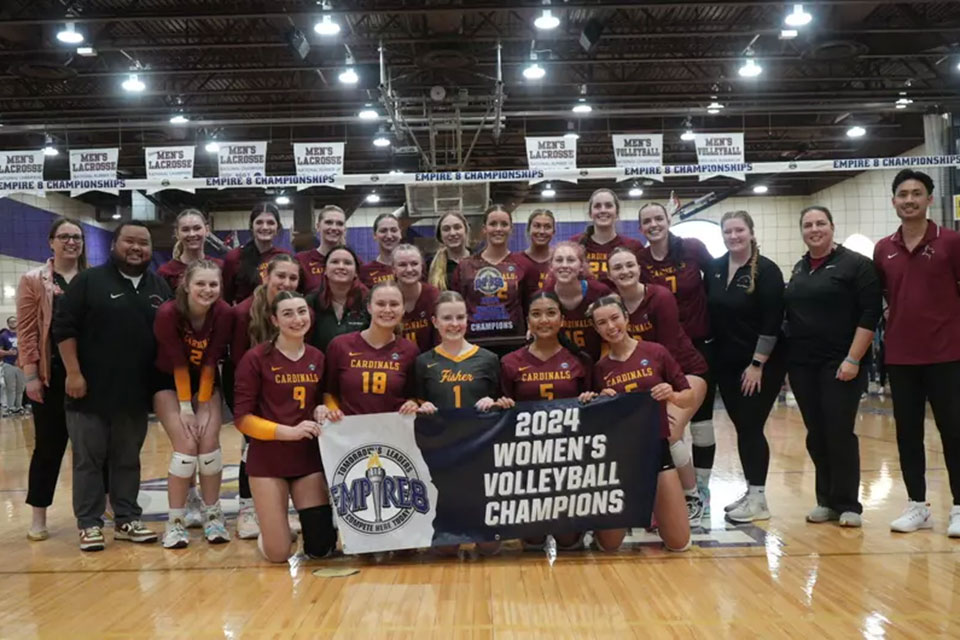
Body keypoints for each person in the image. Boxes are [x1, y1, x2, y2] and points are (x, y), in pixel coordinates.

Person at [53, 221, 172, 551]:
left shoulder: (158, 286)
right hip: (88, 392)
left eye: (144, 243)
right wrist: (73, 373)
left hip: (134, 395)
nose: (136, 248)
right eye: (129, 241)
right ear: (113, 245)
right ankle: (89, 524)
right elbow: (64, 329)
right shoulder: (88, 281)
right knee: (88, 460)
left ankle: (126, 518)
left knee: (127, 458)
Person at [873, 169, 960, 537]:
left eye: (916, 193)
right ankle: (916, 505)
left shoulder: (951, 242)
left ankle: (958, 507)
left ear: (928, 199)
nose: (909, 199)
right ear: (894, 201)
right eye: (902, 194)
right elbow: (883, 298)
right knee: (907, 433)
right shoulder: (883, 248)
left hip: (947, 353)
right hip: (901, 356)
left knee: (953, 431)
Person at [784, 206, 881, 528]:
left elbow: (870, 314)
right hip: (803, 365)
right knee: (817, 434)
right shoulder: (800, 267)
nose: (814, 229)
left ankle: (848, 503)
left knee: (839, 432)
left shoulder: (857, 265)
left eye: (820, 223)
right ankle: (825, 499)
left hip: (840, 364)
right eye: (808, 225)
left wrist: (853, 359)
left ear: (832, 226)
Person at [607, 247, 708, 526]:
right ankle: (652, 499)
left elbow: (669, 351)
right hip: (644, 378)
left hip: (684, 372)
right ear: (609, 274)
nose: (625, 271)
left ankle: (693, 497)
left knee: (670, 432)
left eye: (630, 265)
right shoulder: (611, 303)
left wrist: (665, 394)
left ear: (639, 268)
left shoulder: (659, 296)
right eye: (618, 267)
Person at [234, 291, 336, 562]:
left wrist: (323, 408)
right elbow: (242, 419)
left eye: (302, 311)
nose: (297, 319)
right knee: (279, 554)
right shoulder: (255, 358)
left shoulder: (317, 356)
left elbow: (322, 399)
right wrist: (287, 432)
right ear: (274, 320)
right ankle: (270, 532)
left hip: (307, 461)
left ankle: (292, 526)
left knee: (321, 550)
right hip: (268, 462)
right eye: (288, 313)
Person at [588, 294, 692, 552]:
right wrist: (601, 402)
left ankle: (658, 506)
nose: (611, 327)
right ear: (596, 328)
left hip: (656, 450)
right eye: (602, 323)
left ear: (626, 317)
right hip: (619, 455)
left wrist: (672, 394)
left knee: (680, 543)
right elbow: (595, 420)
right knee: (608, 545)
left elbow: (687, 396)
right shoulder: (600, 368)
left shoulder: (655, 352)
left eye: (614, 318)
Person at [17, 218, 99, 541]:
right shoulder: (33, 280)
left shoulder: (93, 279)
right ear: (51, 242)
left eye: (77, 236)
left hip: (89, 374)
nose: (71, 242)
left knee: (94, 447)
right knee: (48, 448)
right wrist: (31, 376)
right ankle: (38, 516)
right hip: (51, 376)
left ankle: (99, 510)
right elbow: (26, 332)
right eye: (64, 236)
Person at [415, 290, 509, 555]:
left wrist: (494, 404)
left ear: (468, 320)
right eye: (447, 318)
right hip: (442, 454)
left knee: (489, 546)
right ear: (434, 321)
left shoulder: (488, 359)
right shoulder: (424, 362)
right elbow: (414, 402)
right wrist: (421, 405)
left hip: (480, 453)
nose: (454, 324)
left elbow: (504, 403)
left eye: (459, 317)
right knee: (445, 548)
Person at [637, 202, 718, 510]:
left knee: (702, 423)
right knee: (668, 427)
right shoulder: (639, 259)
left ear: (669, 219)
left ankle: (702, 488)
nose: (654, 224)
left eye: (659, 218)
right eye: (647, 221)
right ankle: (673, 491)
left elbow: (716, 285)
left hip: (697, 345)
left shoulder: (693, 248)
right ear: (641, 227)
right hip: (659, 350)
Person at [707, 210, 786, 524]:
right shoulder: (714, 268)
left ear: (751, 232)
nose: (733, 236)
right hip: (726, 364)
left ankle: (759, 498)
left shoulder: (767, 271)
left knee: (751, 426)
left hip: (759, 365)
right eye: (728, 232)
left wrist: (757, 364)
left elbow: (772, 321)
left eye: (739, 230)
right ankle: (752, 491)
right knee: (743, 427)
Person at [153, 260, 234, 548]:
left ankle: (213, 514)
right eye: (200, 283)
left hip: (205, 381)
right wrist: (186, 409)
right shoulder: (168, 313)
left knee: (208, 444)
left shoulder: (223, 312)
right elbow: (177, 361)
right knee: (187, 447)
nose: (207, 289)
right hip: (167, 382)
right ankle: (174, 522)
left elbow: (211, 360)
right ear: (186, 285)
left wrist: (204, 405)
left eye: (213, 284)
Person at [230, 253, 301, 540]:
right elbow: (235, 364)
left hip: (285, 392)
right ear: (265, 277)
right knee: (252, 448)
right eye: (280, 276)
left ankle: (283, 512)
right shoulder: (243, 313)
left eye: (293, 277)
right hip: (252, 395)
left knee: (290, 448)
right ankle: (247, 509)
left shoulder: (297, 310)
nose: (286, 282)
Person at [323, 281, 419, 417]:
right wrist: (332, 410)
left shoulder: (410, 350)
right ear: (369, 307)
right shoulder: (340, 345)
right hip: (348, 432)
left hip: (393, 433)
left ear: (403, 309)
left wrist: (412, 404)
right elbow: (329, 392)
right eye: (380, 304)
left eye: (394, 304)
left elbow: (412, 395)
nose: (387, 310)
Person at [451, 205, 527, 356]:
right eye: (493, 224)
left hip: (514, 343)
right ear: (484, 229)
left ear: (511, 229)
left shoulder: (523, 264)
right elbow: (457, 306)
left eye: (504, 224)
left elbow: (529, 304)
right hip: (474, 345)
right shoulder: (465, 266)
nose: (498, 229)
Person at [543, 241, 610, 362]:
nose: (564, 265)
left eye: (570, 260)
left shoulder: (599, 292)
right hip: (559, 367)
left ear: (581, 267)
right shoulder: (543, 297)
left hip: (597, 362)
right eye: (559, 260)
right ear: (551, 267)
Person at [572, 188, 645, 285]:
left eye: (608, 206)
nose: (603, 210)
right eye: (597, 206)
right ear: (590, 213)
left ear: (617, 212)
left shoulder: (633, 246)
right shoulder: (574, 245)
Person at [306, 245, 370, 352]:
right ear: (325, 270)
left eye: (347, 263)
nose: (341, 266)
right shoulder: (311, 301)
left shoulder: (368, 301)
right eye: (335, 262)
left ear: (356, 273)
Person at [222, 203, 289, 304]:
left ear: (278, 228)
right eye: (259, 222)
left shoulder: (284, 257)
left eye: (270, 223)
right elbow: (226, 298)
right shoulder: (234, 257)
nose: (265, 227)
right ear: (251, 227)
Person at [157, 209, 224, 292]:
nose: (192, 234)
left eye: (197, 228)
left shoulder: (220, 267)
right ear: (177, 233)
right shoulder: (166, 272)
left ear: (207, 230)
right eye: (185, 230)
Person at [393, 244, 440, 353]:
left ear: (422, 266)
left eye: (414, 264)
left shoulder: (434, 297)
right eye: (402, 265)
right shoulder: (386, 297)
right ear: (393, 269)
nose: (409, 269)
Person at [295, 205, 346, 294]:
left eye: (340, 224)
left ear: (344, 229)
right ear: (318, 226)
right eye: (328, 222)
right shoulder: (302, 260)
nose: (334, 228)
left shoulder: (353, 262)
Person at [513, 209, 555, 303]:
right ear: (528, 229)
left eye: (547, 227)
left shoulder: (560, 261)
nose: (542, 231)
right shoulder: (515, 261)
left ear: (553, 232)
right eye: (537, 226)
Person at [427, 212, 471, 291]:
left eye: (457, 227)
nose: (452, 233)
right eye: (446, 229)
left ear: (466, 230)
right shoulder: (429, 264)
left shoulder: (480, 259)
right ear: (440, 235)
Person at [358, 212, 402, 288]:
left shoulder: (413, 266)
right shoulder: (365, 271)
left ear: (400, 233)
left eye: (393, 230)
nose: (389, 236)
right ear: (375, 235)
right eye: (383, 231)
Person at [0, 316, 26, 416]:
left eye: (15, 321)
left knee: (20, 387)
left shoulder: (23, 334)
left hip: (21, 364)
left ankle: (19, 406)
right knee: (10, 387)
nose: (14, 323)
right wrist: (8, 353)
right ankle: (11, 407)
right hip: (9, 364)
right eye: (11, 321)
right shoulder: (3, 335)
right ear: (8, 323)